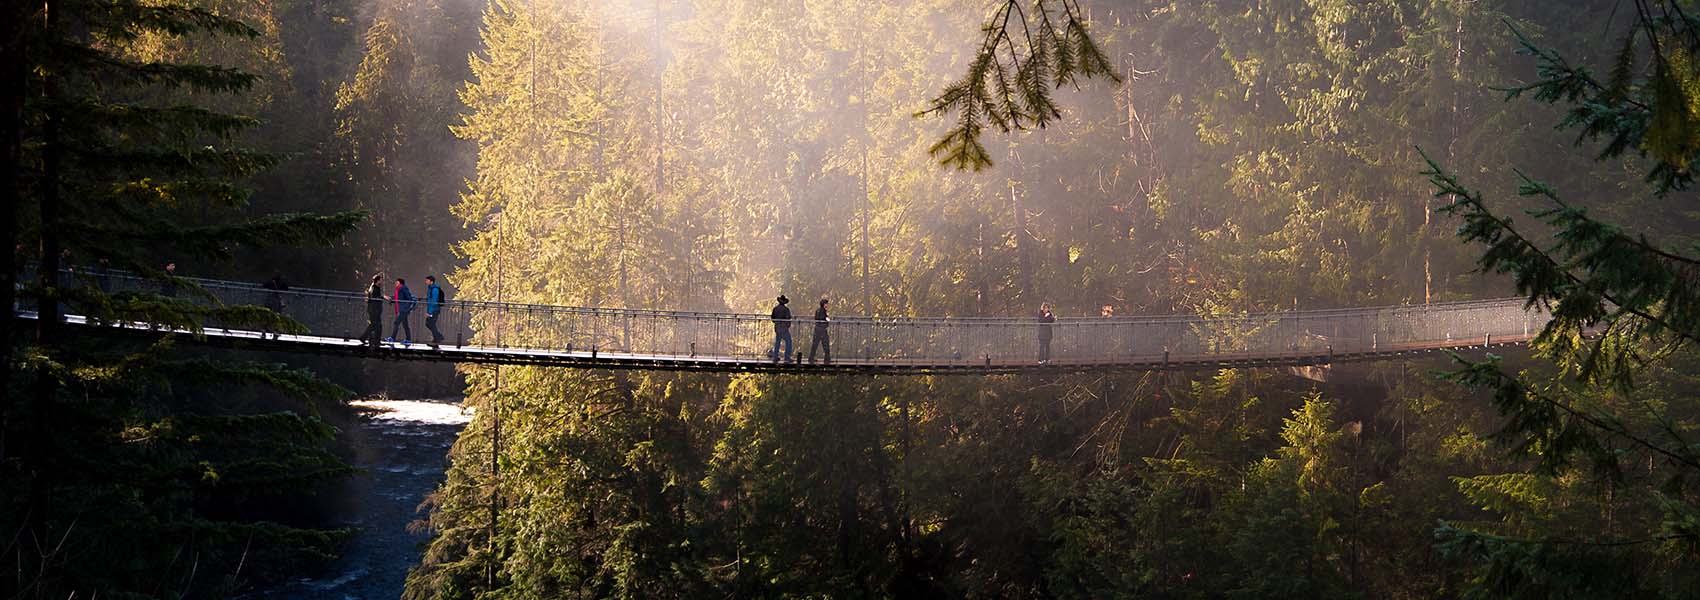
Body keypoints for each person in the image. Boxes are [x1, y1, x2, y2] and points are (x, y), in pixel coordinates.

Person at [361, 274, 386, 349]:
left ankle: (364, 338)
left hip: (374, 310)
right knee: (378, 326)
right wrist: (383, 297)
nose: (382, 281)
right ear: (378, 280)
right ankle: (376, 341)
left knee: (374, 325)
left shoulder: (375, 287)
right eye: (381, 280)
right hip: (374, 310)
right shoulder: (374, 288)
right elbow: (375, 298)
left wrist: (382, 297)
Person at [388, 277, 416, 344]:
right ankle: (408, 340)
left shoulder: (403, 288)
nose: (395, 284)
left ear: (400, 283)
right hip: (402, 309)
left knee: (396, 323)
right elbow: (399, 298)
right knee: (405, 325)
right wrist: (392, 300)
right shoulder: (398, 289)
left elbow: (408, 298)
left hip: (403, 310)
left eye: (397, 282)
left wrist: (406, 307)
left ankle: (392, 338)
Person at [262, 274, 290, 338]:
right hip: (277, 302)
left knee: (267, 316)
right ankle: (275, 331)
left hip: (269, 300)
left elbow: (263, 285)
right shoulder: (281, 283)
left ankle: (264, 330)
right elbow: (286, 288)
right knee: (277, 317)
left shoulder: (271, 282)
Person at [770, 294, 793, 363]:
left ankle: (775, 357)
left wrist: (777, 323)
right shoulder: (786, 309)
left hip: (777, 328)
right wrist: (787, 326)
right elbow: (788, 319)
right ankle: (787, 357)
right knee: (789, 342)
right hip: (784, 328)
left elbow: (773, 318)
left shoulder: (775, 308)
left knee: (777, 342)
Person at [424, 275, 446, 346]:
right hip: (432, 310)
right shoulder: (431, 288)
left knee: (430, 323)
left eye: (427, 280)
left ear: (431, 281)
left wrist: (430, 312)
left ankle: (438, 338)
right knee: (429, 323)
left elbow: (434, 301)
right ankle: (437, 338)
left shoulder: (435, 289)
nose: (426, 282)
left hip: (434, 310)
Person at [809, 298, 831, 364]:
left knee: (815, 344)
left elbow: (817, 318)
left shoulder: (818, 310)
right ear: (823, 304)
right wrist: (828, 320)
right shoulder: (823, 311)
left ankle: (811, 358)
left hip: (817, 329)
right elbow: (823, 319)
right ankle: (827, 359)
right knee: (826, 344)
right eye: (826, 304)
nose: (827, 305)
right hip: (822, 330)